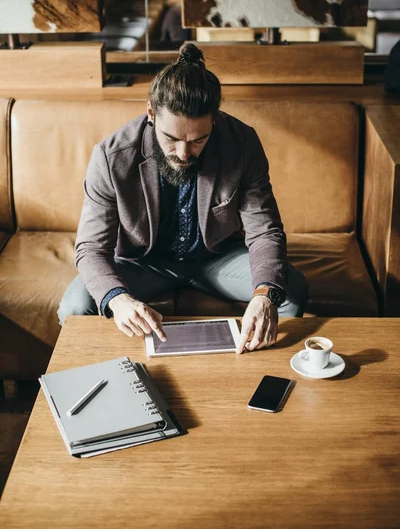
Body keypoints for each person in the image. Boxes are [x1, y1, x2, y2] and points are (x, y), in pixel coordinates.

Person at [58, 43, 308, 354]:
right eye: (171, 138)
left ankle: (257, 378)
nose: (183, 153)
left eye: (198, 140)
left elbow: (264, 230)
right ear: (151, 113)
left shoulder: (242, 144)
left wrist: (264, 296)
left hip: (216, 259)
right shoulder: (111, 157)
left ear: (213, 121)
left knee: (290, 291)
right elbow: (91, 247)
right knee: (76, 304)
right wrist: (118, 299)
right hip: (142, 263)